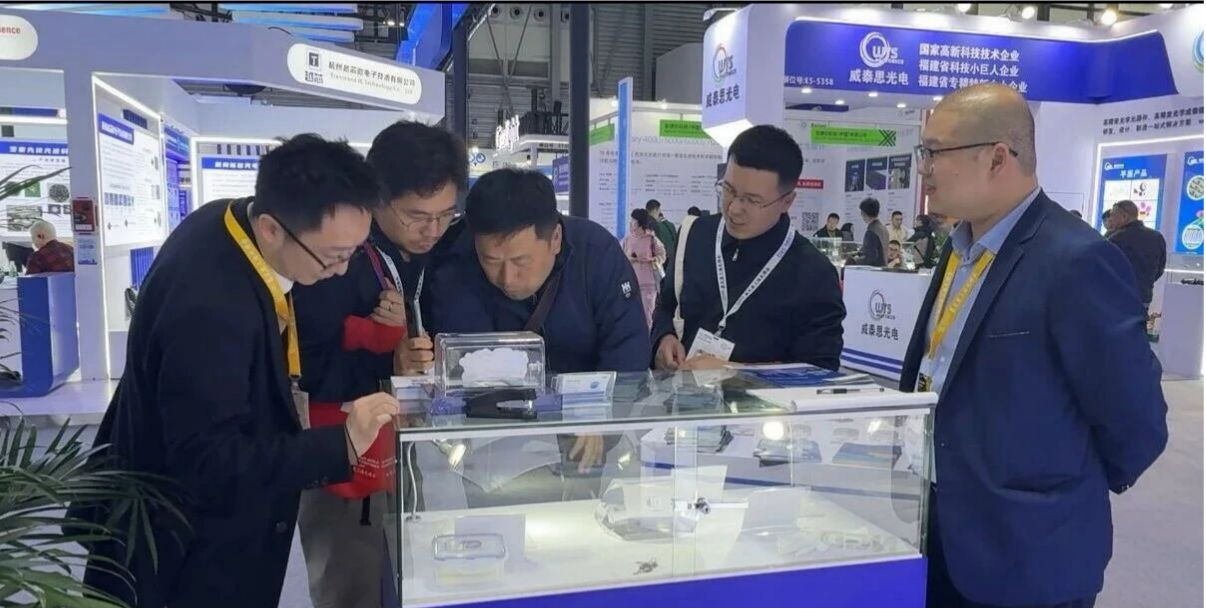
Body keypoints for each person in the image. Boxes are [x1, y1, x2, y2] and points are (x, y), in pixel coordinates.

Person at [80, 135, 401, 607]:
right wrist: (343, 443)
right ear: (272, 229)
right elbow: (209, 461)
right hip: (179, 552)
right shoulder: (210, 308)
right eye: (334, 255)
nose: (341, 269)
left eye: (354, 250)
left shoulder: (231, 223)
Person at [900, 84, 1167, 609]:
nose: (924, 168)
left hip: (1028, 553)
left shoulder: (1075, 260)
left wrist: (1061, 487)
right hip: (939, 531)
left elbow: (1137, 419)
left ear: (998, 158)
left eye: (934, 152)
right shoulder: (959, 248)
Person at [291, 121, 467, 608]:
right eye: (417, 216)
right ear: (378, 198)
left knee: (406, 579)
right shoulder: (336, 259)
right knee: (352, 585)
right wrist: (388, 359)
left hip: (400, 447)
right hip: (343, 456)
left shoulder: (433, 252)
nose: (432, 231)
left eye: (446, 215)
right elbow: (304, 370)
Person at [413, 167, 650, 377]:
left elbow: (628, 358)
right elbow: (457, 365)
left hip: (588, 405)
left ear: (555, 239)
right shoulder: (454, 262)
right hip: (489, 407)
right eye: (491, 261)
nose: (506, 278)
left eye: (520, 261)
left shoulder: (597, 254)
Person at [652, 125, 845, 372]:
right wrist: (664, 337)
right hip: (681, 394)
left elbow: (819, 371)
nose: (734, 209)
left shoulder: (814, 273)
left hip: (757, 399)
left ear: (787, 201)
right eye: (728, 190)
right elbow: (666, 304)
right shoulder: (695, 235)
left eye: (753, 200)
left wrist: (735, 372)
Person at [1107, 199, 1167, 309]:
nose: (1110, 219)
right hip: (1144, 297)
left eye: (1112, 215)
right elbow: (1160, 269)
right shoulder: (1157, 237)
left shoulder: (1116, 239)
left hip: (1119, 297)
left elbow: (1106, 269)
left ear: (1124, 216)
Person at [622, 208, 667, 330]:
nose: (631, 222)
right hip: (631, 282)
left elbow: (662, 255)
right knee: (631, 315)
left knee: (648, 315)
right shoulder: (628, 239)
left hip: (648, 283)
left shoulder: (652, 238)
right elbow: (621, 258)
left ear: (640, 222)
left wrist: (651, 259)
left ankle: (647, 339)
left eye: (634, 220)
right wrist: (630, 259)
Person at [849, 197, 889, 267]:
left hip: (873, 270)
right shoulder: (883, 229)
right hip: (882, 268)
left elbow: (870, 257)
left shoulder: (872, 232)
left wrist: (854, 261)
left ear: (864, 213)